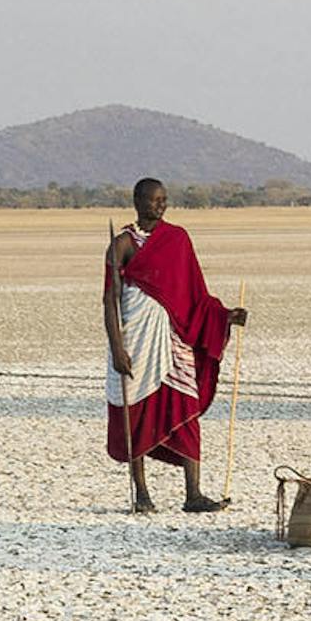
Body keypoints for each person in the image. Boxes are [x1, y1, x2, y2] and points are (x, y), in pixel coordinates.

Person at [103, 177, 247, 515]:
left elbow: (195, 294)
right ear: (137, 201)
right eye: (154, 199)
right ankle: (142, 494)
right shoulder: (122, 244)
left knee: (186, 408)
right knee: (134, 413)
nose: (160, 205)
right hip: (134, 339)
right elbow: (109, 302)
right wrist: (117, 348)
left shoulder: (178, 239)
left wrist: (225, 316)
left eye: (164, 199)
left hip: (173, 339)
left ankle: (193, 494)